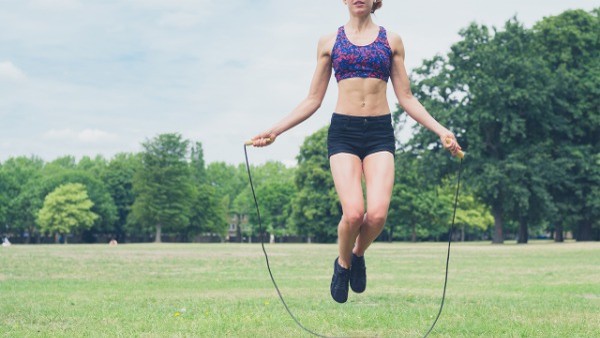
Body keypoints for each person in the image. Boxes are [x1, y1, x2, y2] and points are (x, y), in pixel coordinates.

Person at [250, 0, 461, 304]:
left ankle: (357, 253)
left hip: (379, 133)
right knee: (353, 212)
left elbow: (406, 97)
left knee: (375, 215)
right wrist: (275, 130)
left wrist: (441, 130)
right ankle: (342, 264)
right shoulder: (329, 42)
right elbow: (313, 99)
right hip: (344, 133)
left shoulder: (391, 40)